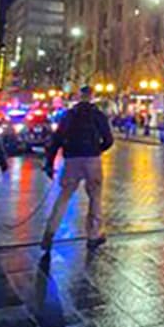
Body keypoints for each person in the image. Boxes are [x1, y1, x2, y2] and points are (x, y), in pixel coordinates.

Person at [41, 86, 114, 251]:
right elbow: (109, 140)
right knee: (95, 197)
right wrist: (97, 149)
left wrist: (49, 163)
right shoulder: (98, 115)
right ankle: (94, 235)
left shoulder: (69, 115)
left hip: (72, 159)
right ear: (92, 96)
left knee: (63, 197)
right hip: (92, 160)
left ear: (79, 96)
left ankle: (49, 232)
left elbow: (56, 140)